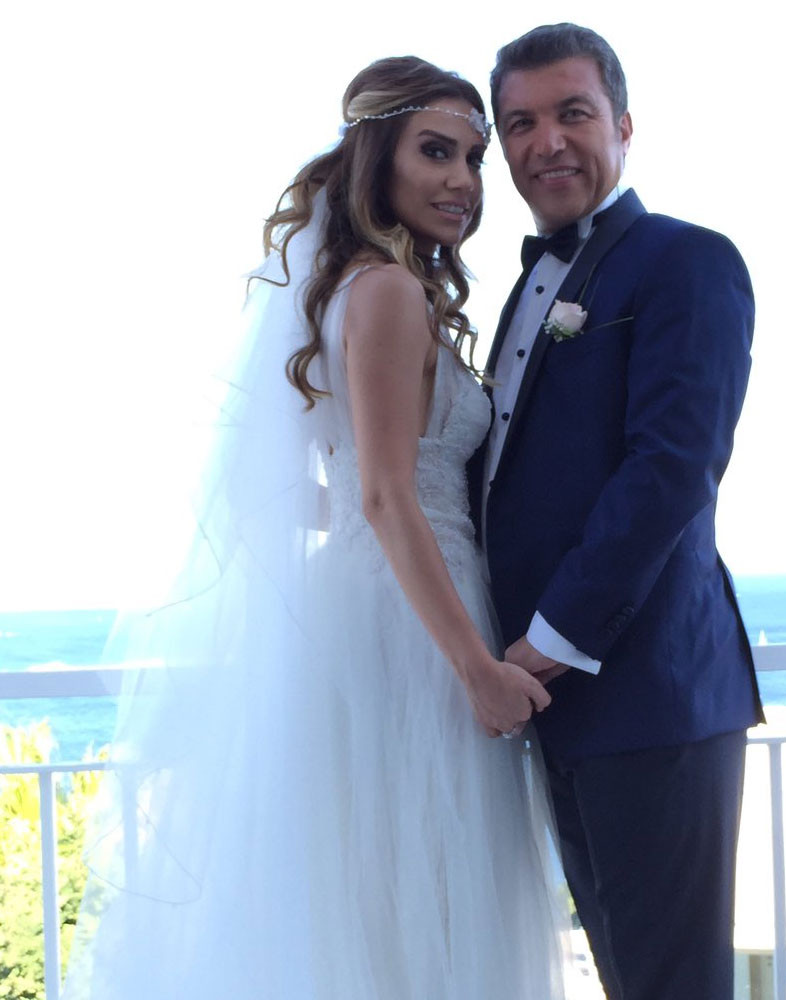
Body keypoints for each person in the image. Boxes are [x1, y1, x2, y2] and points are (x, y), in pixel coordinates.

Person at [62, 57, 567, 1000]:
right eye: (435, 152)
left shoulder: (355, 289)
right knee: (424, 896)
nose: (463, 180)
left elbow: (339, 489)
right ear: (377, 158)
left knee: (380, 895)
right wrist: (477, 669)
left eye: (473, 158)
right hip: (417, 629)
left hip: (377, 604)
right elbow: (385, 497)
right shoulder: (386, 292)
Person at [469, 23, 766, 1000]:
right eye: (520, 123)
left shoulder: (687, 260)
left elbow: (671, 469)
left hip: (647, 694)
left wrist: (546, 642)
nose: (545, 141)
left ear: (623, 126)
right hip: (555, 700)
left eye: (572, 113)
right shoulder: (528, 284)